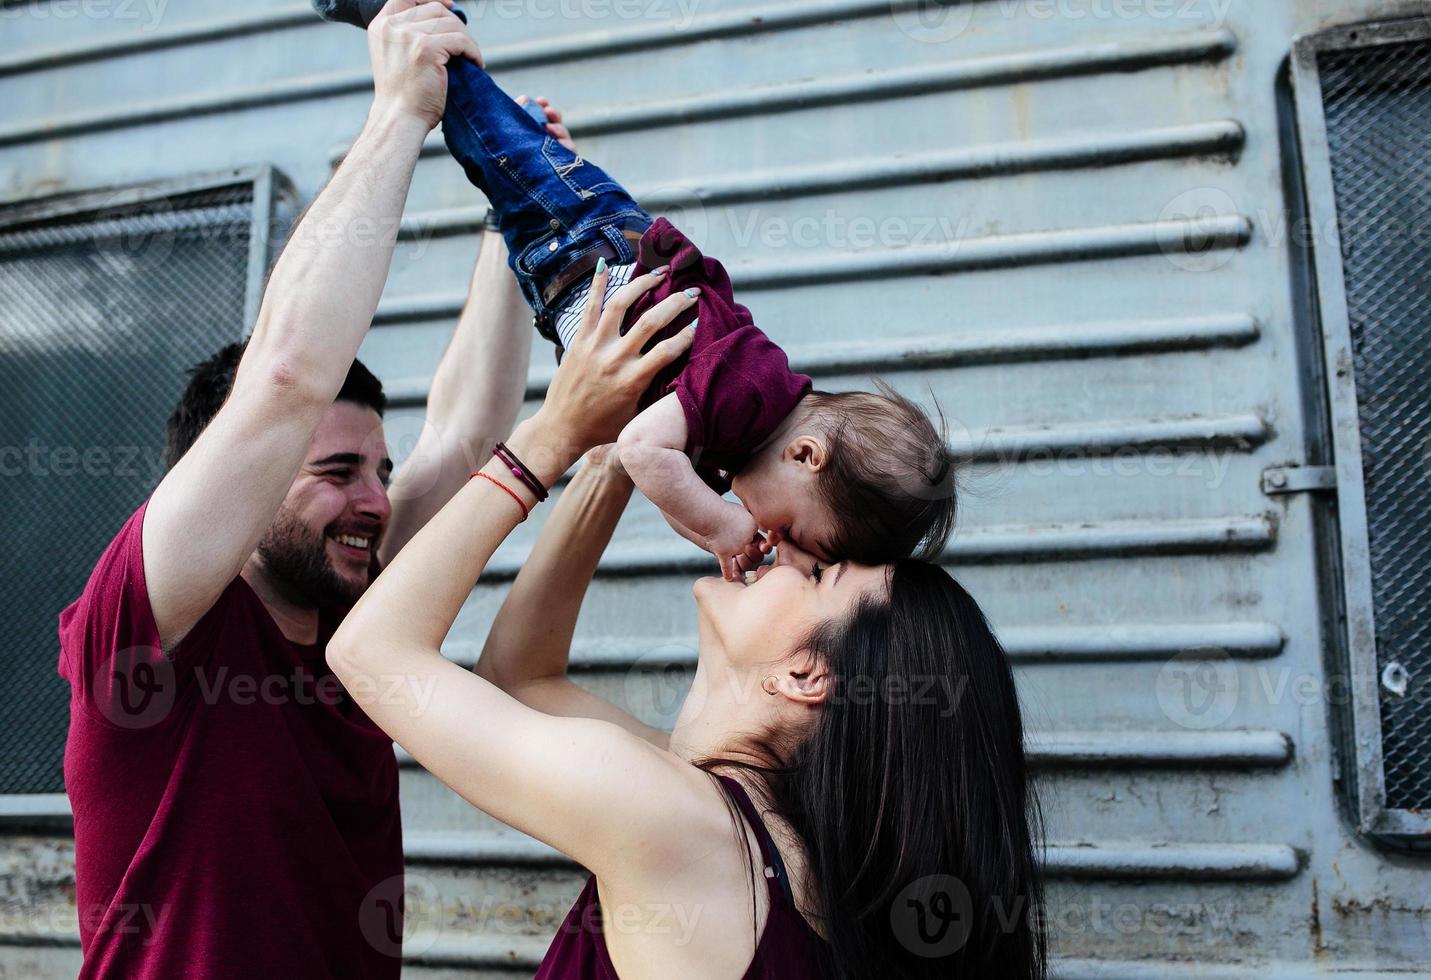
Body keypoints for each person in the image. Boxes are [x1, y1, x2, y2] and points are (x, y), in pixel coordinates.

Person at [53, 4, 645, 976]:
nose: (375, 498)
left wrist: (514, 205)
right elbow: (286, 379)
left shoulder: (353, 618)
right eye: (336, 472)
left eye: (377, 467)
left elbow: (463, 435)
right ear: (236, 488)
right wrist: (398, 113)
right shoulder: (141, 628)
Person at [324, 275, 1047, 978]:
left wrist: (550, 437)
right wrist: (619, 449)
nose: (783, 551)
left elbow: (370, 654)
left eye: (821, 573)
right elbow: (521, 678)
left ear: (806, 676)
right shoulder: (782, 855)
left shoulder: (682, 824)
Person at [314, 0, 957, 579]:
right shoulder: (748, 396)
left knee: (497, 159)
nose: (769, 535)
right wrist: (723, 526)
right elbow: (641, 453)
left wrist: (715, 538)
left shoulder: (742, 432)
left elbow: (657, 473)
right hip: (592, 241)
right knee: (480, 131)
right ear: (808, 455)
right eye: (789, 531)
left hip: (568, 268)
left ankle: (516, 111)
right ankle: (407, 15)